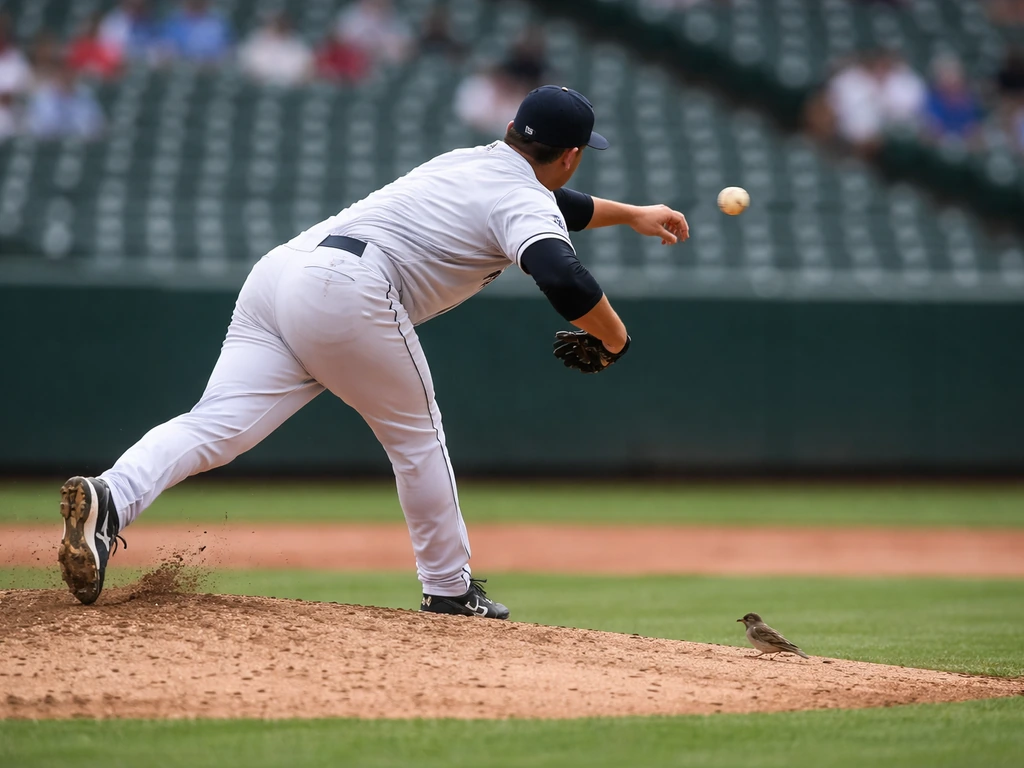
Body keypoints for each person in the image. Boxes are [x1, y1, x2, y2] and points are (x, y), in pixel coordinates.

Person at [56, 86, 689, 617]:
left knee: (213, 426)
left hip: (282, 273)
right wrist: (614, 337)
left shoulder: (472, 160)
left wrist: (632, 213)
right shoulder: (521, 198)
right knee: (417, 437)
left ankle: (111, 496)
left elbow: (558, 207)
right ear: (573, 155)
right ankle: (450, 590)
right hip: (346, 290)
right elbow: (561, 274)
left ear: (510, 130)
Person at [26, 61, 106, 140]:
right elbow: (35, 127)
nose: (67, 77)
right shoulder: (43, 96)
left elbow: (97, 124)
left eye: (70, 73)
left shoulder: (85, 95)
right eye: (63, 74)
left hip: (81, 144)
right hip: (49, 145)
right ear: (57, 75)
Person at [238, 12, 313, 87]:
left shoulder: (297, 44)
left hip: (290, 88)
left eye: (281, 25)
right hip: (257, 86)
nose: (278, 27)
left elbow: (307, 70)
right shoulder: (256, 40)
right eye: (275, 24)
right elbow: (244, 64)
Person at [160, 0, 232, 66]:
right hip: (181, 69)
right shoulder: (172, 23)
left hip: (214, 69)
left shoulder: (220, 23)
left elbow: (228, 51)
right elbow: (166, 50)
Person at [68, 13, 122, 80]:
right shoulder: (78, 46)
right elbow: (71, 66)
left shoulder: (108, 47)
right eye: (88, 25)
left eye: (94, 26)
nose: (90, 28)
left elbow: (111, 72)